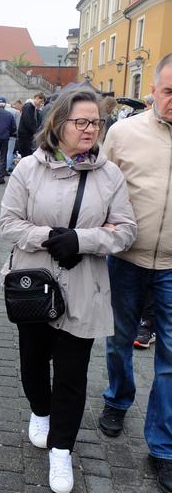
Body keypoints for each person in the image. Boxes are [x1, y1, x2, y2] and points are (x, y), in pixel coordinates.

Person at [0, 88, 136, 493]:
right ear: (58, 125)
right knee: (33, 365)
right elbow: (8, 223)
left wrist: (83, 240)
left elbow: (126, 230)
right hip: (34, 285)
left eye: (97, 122)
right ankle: (40, 410)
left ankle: (62, 452)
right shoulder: (28, 168)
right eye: (82, 121)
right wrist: (49, 237)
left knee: (73, 376)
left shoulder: (109, 175)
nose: (92, 129)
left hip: (84, 286)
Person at [99, 53, 172, 492]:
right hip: (126, 259)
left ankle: (163, 446)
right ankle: (118, 398)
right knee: (118, 340)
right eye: (169, 91)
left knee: (170, 361)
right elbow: (102, 185)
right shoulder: (124, 133)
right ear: (154, 91)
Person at [18, 92, 45, 157]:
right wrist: (36, 131)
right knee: (26, 155)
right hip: (25, 136)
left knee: (27, 155)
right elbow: (28, 122)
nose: (41, 104)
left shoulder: (32, 107)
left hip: (26, 135)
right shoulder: (29, 106)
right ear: (37, 98)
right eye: (40, 101)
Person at [5, 99, 22, 173]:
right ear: (17, 104)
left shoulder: (6, 111)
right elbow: (17, 125)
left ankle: (4, 167)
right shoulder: (17, 112)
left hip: (4, 134)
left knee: (4, 152)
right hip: (12, 135)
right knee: (10, 152)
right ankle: (7, 168)